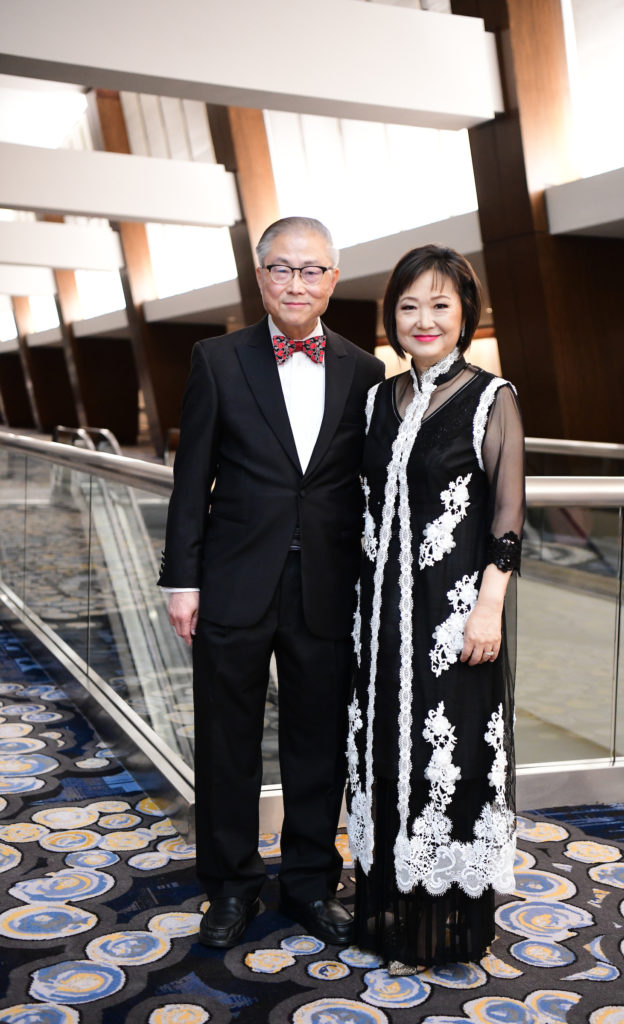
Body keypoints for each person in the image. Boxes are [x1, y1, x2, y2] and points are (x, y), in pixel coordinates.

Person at [159, 216, 385, 950]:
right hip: (231, 578)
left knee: (319, 742)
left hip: (328, 580)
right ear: (259, 278)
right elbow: (191, 478)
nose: (296, 283)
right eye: (282, 269)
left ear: (332, 280)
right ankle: (229, 888)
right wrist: (181, 581)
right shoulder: (216, 359)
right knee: (227, 740)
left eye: (311, 270)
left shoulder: (363, 369)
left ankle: (311, 883)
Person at [346, 244, 524, 974]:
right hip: (383, 623)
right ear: (392, 317)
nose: (423, 319)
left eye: (439, 306)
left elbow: (508, 516)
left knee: (449, 756)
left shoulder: (492, 397)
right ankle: (389, 906)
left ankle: (447, 922)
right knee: (386, 753)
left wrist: (488, 608)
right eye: (408, 306)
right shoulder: (377, 399)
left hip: (454, 618)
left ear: (464, 317)